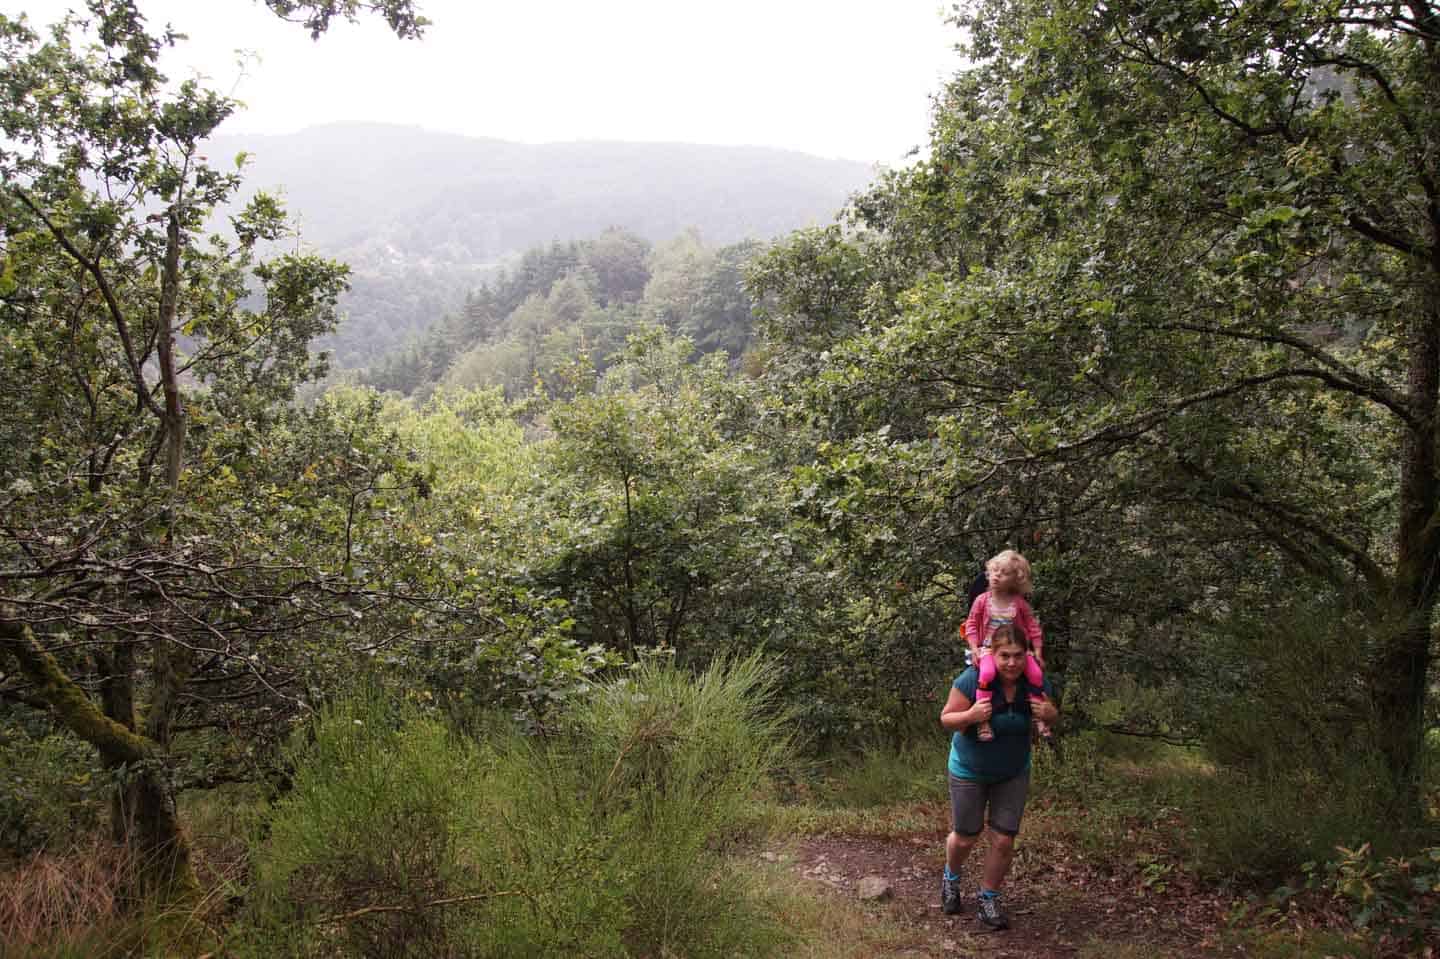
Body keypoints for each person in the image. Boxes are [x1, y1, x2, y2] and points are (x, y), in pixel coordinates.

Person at [939, 623, 1059, 928]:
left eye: (1018, 656)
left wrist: (1049, 714)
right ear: (993, 654)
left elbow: (1052, 712)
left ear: (1027, 655)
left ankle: (988, 897)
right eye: (1004, 655)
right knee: (966, 837)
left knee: (1004, 839)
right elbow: (947, 719)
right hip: (969, 769)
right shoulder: (971, 680)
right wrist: (970, 716)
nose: (1011, 663)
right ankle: (951, 878)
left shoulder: (1035, 681)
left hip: (1013, 771)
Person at [962, 549, 1049, 740]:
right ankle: (983, 719)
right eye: (995, 571)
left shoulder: (1019, 604)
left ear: (1015, 579)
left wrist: (1037, 652)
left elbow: (1033, 628)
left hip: (1016, 649)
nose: (997, 576)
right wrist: (975, 648)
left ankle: (1038, 716)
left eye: (1004, 573)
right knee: (987, 673)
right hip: (988, 649)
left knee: (1035, 673)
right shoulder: (982, 601)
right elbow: (971, 626)